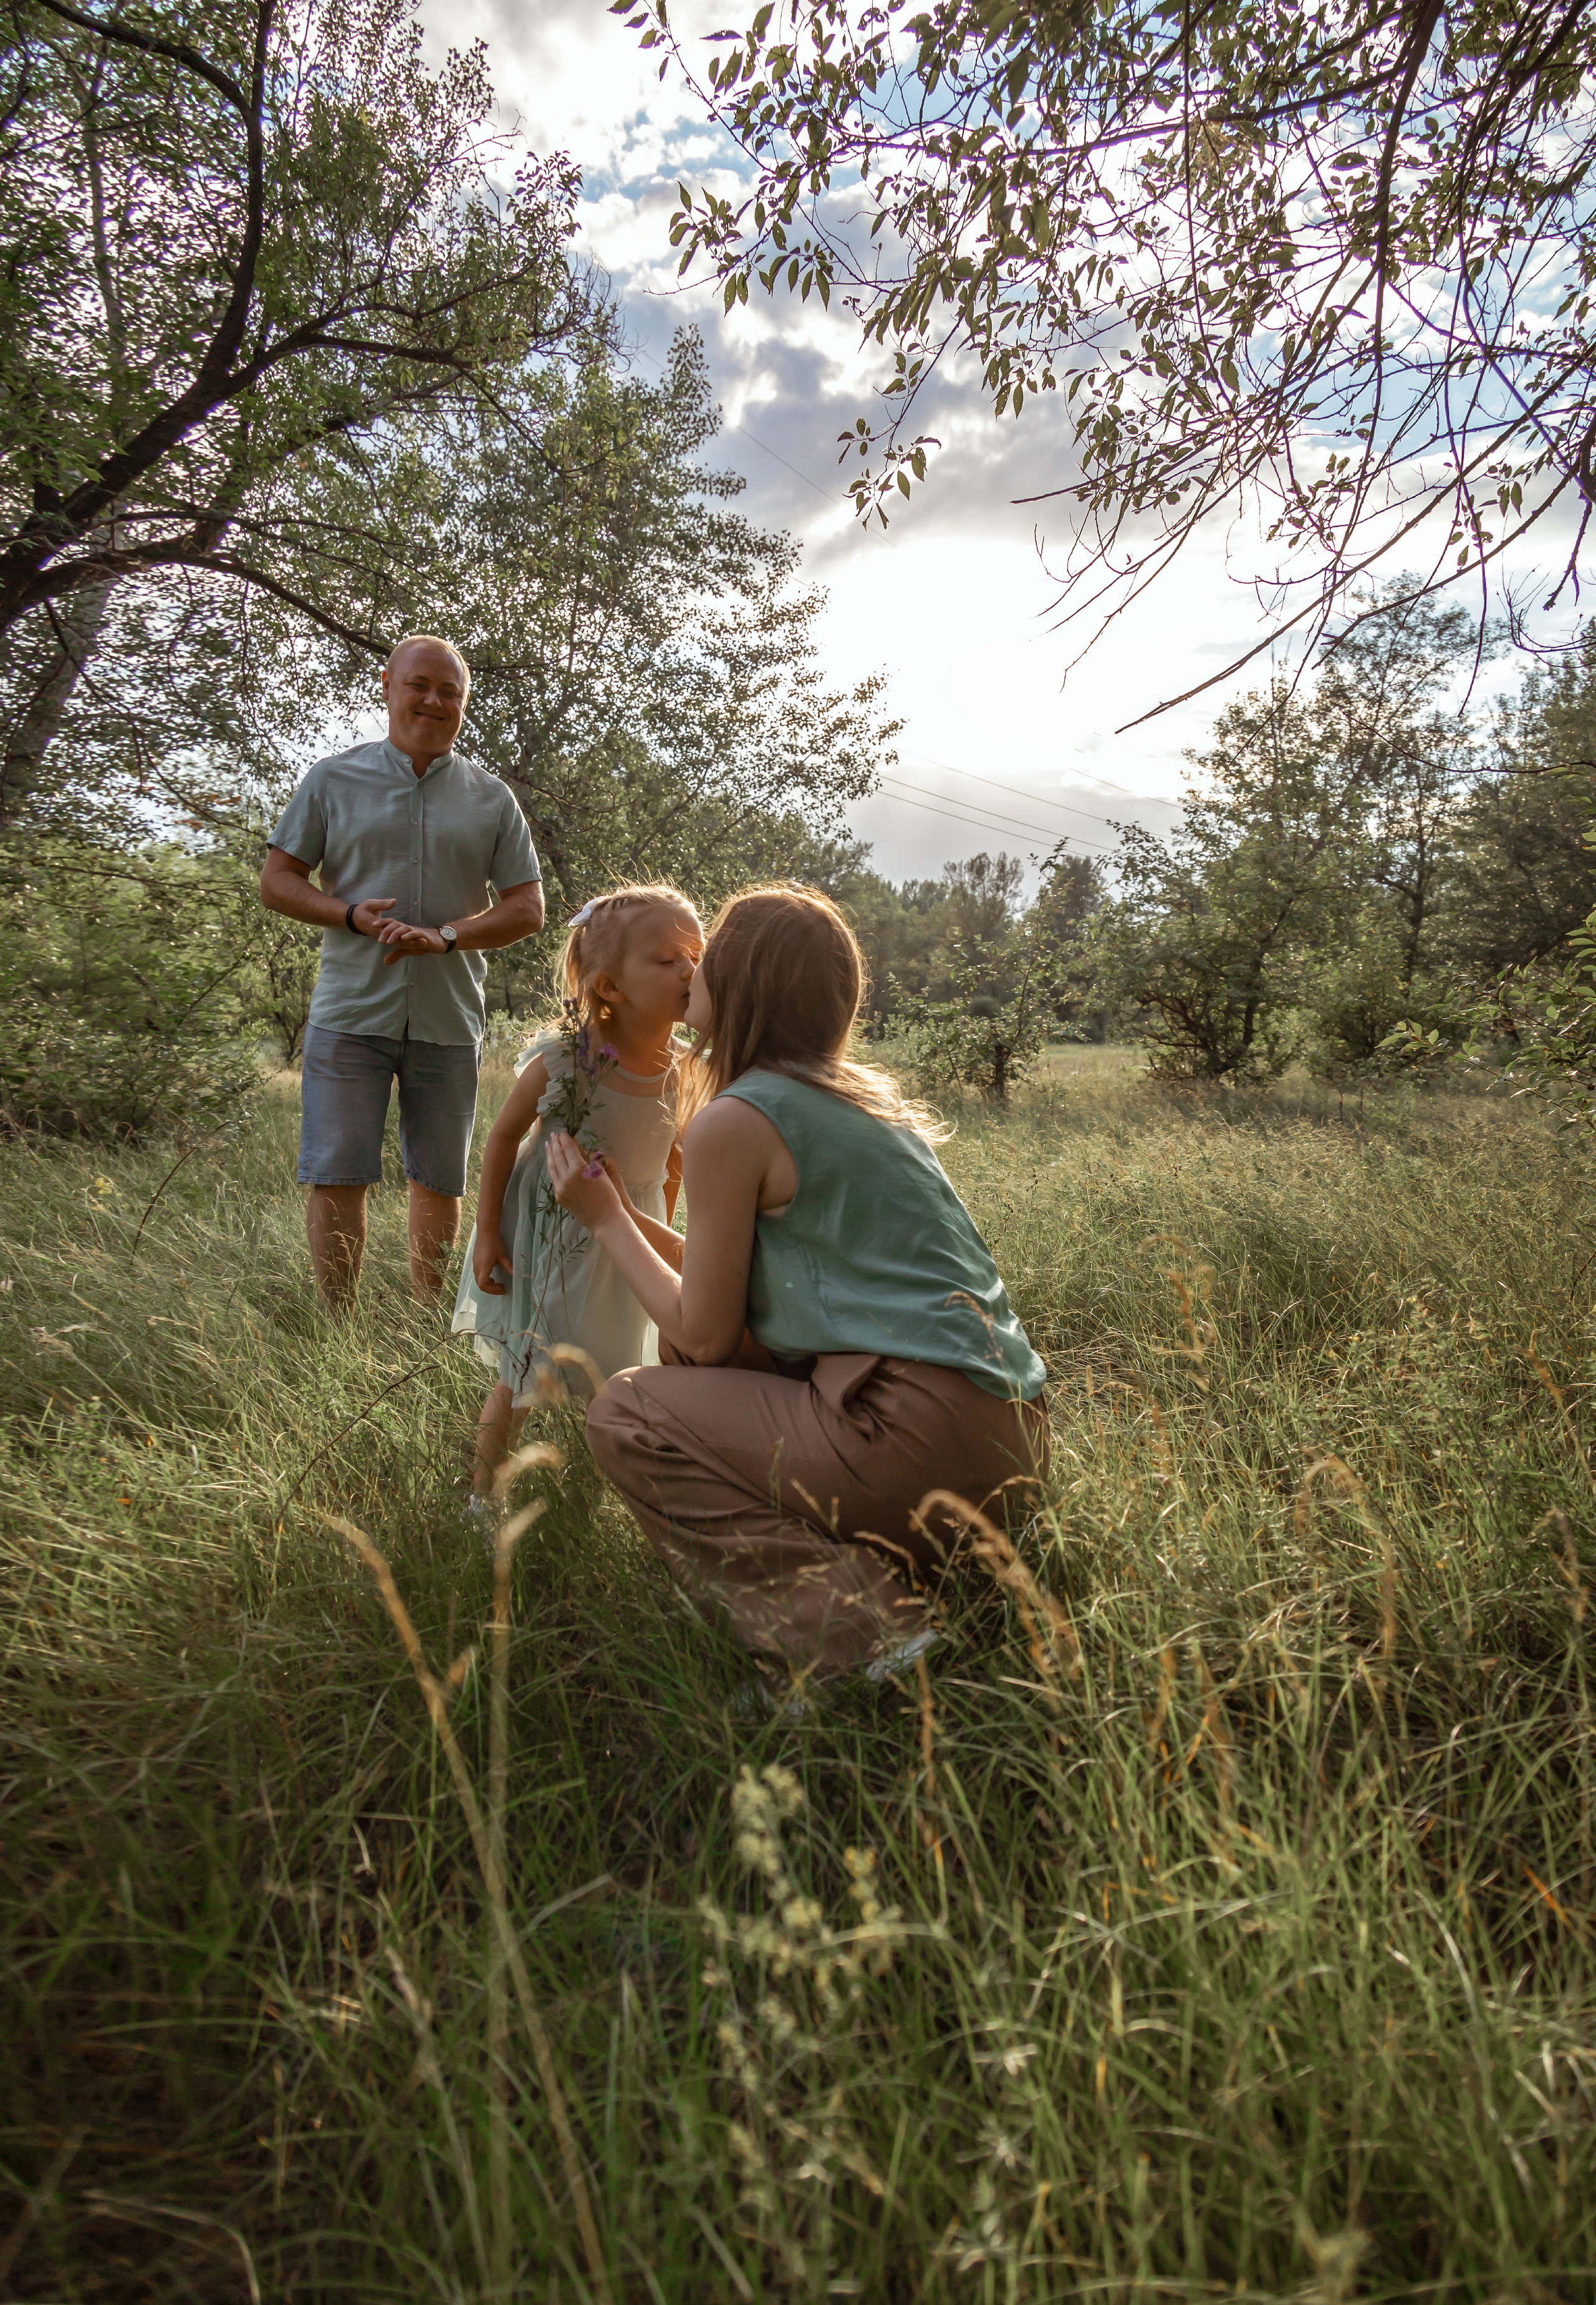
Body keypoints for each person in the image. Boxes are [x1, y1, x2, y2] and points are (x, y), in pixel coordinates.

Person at [543, 883, 1050, 1681]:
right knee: (700, 1365)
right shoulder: (865, 1105)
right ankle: (901, 1572)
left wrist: (607, 1224)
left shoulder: (736, 1120)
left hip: (911, 1439)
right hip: (1012, 1442)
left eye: (705, 962)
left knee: (628, 1410)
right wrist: (619, 1211)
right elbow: (725, 1283)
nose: (689, 977)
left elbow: (702, 1331)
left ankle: (857, 1626)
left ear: (740, 989)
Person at [259, 635, 544, 1307]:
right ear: (388, 686)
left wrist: (446, 937)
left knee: (440, 1180)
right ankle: (338, 1323)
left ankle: (424, 1318)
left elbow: (528, 908)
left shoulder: (491, 797)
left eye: (450, 692)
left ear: (464, 705)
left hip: (448, 1016)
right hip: (350, 1012)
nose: (433, 701)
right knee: (337, 1175)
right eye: (420, 685)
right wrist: (352, 915)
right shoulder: (332, 779)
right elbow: (277, 882)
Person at [453, 884, 704, 1503]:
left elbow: (672, 1165)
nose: (690, 970)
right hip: (547, 1230)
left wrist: (657, 1234)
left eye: (696, 955)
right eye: (668, 958)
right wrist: (487, 1232)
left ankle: (602, 1487)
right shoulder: (566, 1060)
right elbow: (504, 1138)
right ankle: (483, 1497)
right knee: (524, 1371)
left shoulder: (686, 1069)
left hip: (629, 1230)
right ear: (612, 988)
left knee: (619, 1363)